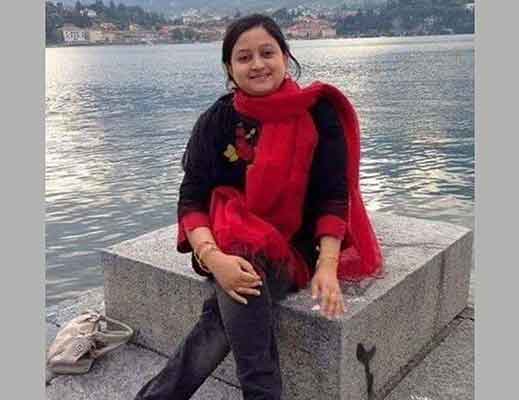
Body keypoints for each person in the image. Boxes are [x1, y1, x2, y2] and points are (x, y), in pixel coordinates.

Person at [134, 14, 382, 400]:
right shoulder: (216, 121)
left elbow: (334, 194)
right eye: (244, 57)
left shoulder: (318, 113)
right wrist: (214, 258)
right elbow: (192, 197)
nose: (258, 65)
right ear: (229, 68)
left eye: (267, 53)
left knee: (227, 304)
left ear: (285, 56)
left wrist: (327, 266)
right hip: (222, 241)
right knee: (241, 261)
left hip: (291, 247)